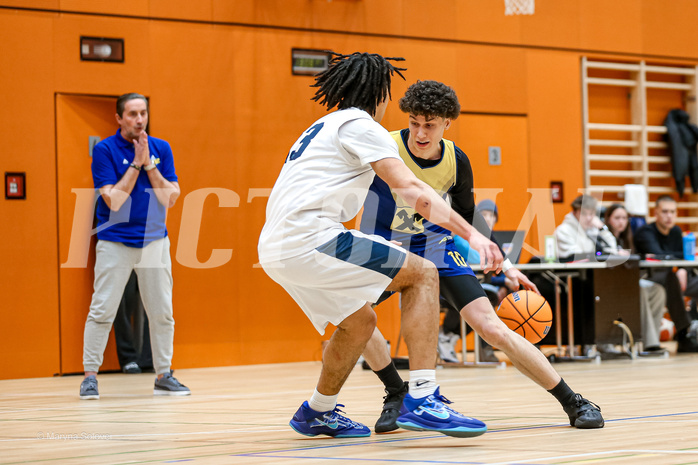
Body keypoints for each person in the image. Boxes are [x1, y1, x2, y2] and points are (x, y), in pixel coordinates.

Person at [258, 53, 504, 439]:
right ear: (381, 92)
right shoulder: (362, 124)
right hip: (312, 237)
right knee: (422, 272)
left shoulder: (324, 124)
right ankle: (423, 397)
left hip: (276, 246)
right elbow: (412, 189)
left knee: (359, 323)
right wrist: (472, 233)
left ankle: (317, 411)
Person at [359, 80, 604, 434]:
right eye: (414, 122)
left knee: (492, 327)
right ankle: (397, 392)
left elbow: (470, 219)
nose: (419, 132)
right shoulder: (386, 146)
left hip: (435, 247)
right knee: (353, 318)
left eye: (429, 124)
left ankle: (574, 400)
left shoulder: (456, 160)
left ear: (447, 124)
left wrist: (505, 265)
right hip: (386, 246)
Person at [80, 93, 190, 399]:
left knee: (162, 312)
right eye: (132, 114)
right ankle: (90, 376)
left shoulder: (162, 148)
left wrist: (149, 166)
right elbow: (113, 200)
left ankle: (164, 375)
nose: (139, 120)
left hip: (155, 240)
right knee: (102, 309)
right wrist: (135, 166)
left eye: (143, 113)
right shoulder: (104, 150)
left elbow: (170, 197)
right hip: (115, 242)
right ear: (119, 118)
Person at [634, 195, 698, 352]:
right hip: (648, 277)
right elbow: (660, 256)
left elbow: (676, 256)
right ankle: (683, 334)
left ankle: (691, 329)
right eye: (665, 212)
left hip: (672, 275)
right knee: (670, 278)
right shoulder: (645, 232)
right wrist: (680, 262)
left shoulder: (676, 231)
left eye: (672, 212)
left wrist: (683, 269)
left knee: (677, 278)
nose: (669, 216)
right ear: (655, 213)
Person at [604, 204, 667, 352]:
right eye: (617, 218)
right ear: (608, 219)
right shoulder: (604, 238)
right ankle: (650, 343)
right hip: (610, 284)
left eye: (624, 218)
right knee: (640, 291)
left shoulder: (628, 239)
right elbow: (601, 256)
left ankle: (653, 338)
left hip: (628, 280)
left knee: (658, 290)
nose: (621, 221)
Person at [113, 271, 153, 374]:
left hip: (151, 255)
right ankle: (128, 357)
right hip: (119, 255)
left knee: (155, 300)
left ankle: (150, 358)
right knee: (123, 301)